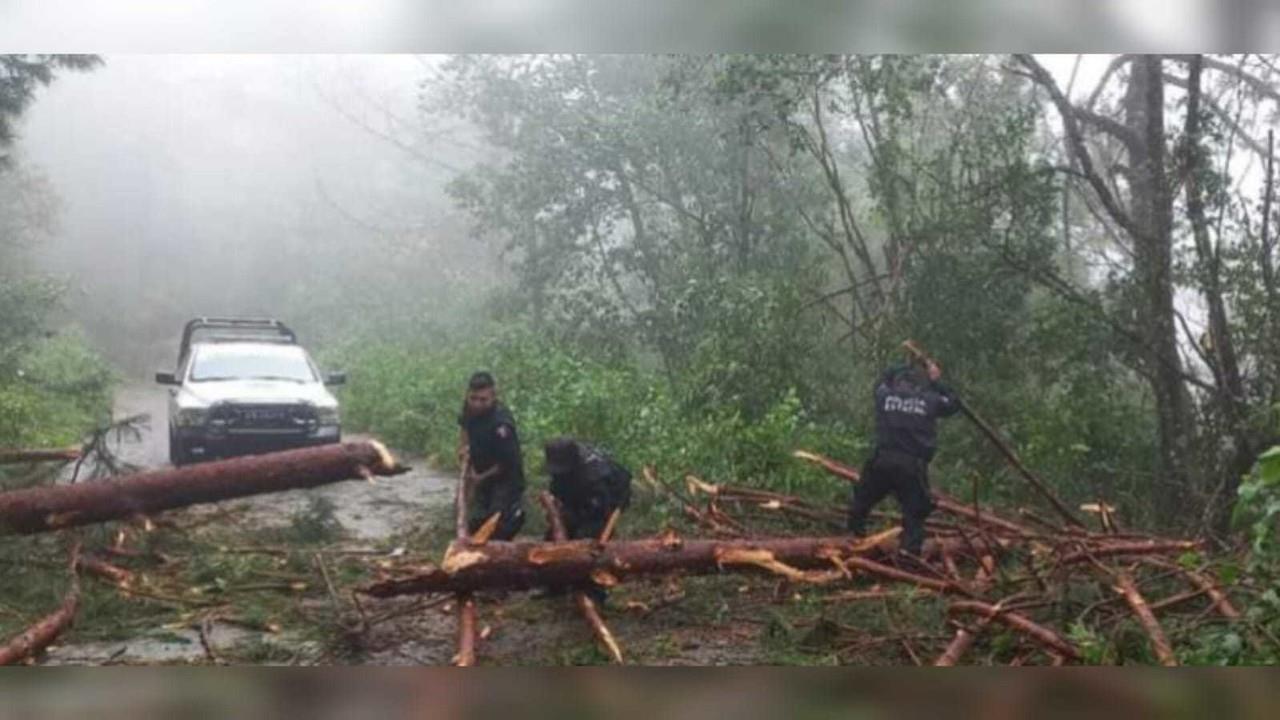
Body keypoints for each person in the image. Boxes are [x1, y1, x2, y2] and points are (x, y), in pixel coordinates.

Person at [847, 357, 960, 561]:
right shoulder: (929, 399)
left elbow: (882, 380)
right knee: (914, 514)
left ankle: (852, 541)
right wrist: (936, 380)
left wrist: (903, 364)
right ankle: (909, 558)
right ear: (919, 383)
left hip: (882, 461)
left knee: (861, 502)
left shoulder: (884, 395)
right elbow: (953, 403)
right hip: (911, 466)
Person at [542, 436, 632, 604]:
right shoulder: (562, 465)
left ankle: (594, 590)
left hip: (606, 503)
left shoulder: (594, 475)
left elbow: (598, 510)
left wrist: (575, 520)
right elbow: (558, 488)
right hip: (582, 501)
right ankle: (555, 586)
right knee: (551, 538)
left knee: (587, 542)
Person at [458, 371, 525, 540]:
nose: (477, 404)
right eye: (473, 398)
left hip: (504, 477)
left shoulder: (501, 424)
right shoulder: (469, 408)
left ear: (493, 397)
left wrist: (479, 478)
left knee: (498, 523)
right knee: (475, 522)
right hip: (481, 471)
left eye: (483, 400)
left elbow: (507, 463)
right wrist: (464, 449)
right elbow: (465, 426)